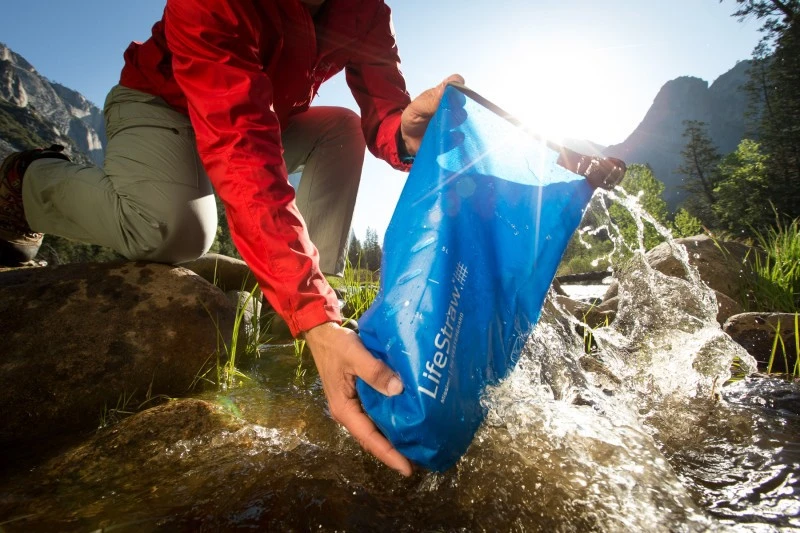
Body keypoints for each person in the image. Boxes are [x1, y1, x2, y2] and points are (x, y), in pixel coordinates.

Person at [0, 0, 465, 477]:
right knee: (173, 232)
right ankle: (26, 181)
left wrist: (404, 133)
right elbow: (244, 158)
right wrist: (311, 312)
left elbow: (384, 110)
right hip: (164, 104)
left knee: (340, 129)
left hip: (264, 116)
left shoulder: (366, 10)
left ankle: (306, 329)